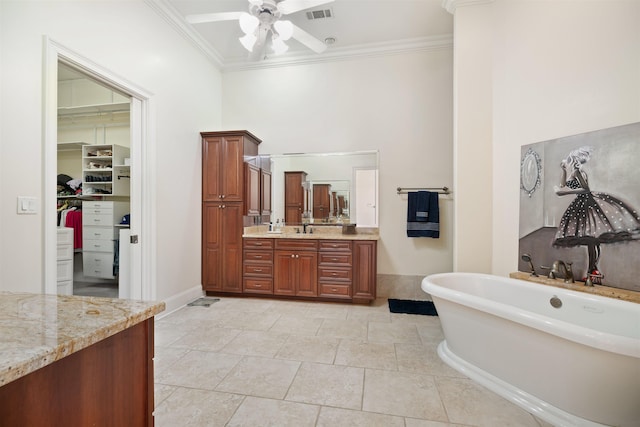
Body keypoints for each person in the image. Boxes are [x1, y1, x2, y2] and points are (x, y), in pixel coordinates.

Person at [553, 146, 640, 278]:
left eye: (570, 158)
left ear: (574, 159)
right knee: (591, 240)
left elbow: (586, 189)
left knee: (592, 239)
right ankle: (592, 269)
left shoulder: (578, 172)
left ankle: (592, 269)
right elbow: (562, 185)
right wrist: (563, 170)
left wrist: (565, 193)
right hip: (580, 204)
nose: (569, 160)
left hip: (586, 202)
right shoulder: (573, 172)